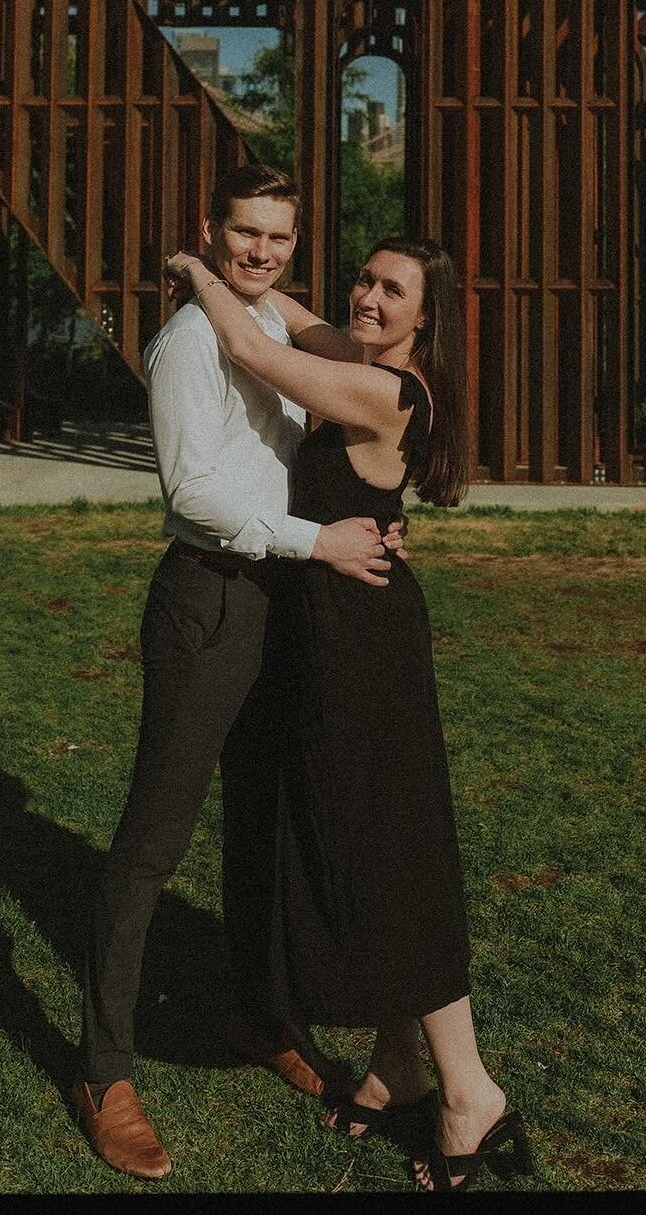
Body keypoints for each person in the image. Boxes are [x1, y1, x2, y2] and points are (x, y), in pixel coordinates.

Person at [164, 235, 533, 1192]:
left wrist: (201, 274)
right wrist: (254, 270)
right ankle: (399, 1064)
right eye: (365, 279)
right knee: (372, 845)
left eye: (391, 290)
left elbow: (252, 350)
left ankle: (469, 1093)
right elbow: (293, 320)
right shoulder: (366, 365)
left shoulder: (384, 394)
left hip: (362, 645)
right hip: (338, 630)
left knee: (391, 855)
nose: (367, 298)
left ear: (427, 318)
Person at [71, 163, 407, 1182]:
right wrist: (319, 543)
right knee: (153, 838)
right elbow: (194, 495)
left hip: (282, 603)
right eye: (243, 234)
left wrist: (307, 560)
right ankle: (103, 1071)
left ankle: (261, 1017)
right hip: (211, 597)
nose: (260, 251)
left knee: (263, 825)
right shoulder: (185, 344)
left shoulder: (265, 326)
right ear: (210, 230)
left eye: (279, 238)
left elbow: (312, 340)